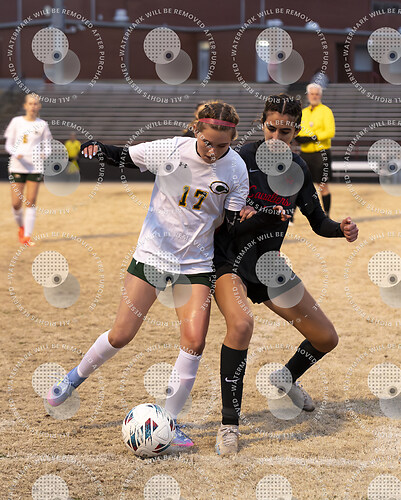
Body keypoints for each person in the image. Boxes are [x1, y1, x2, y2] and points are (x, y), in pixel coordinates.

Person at [46, 101, 252, 447]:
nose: (214, 152)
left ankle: (169, 423)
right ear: (196, 130)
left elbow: (229, 226)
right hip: (152, 258)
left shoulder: (236, 168)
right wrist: (96, 148)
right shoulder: (171, 149)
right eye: (208, 143)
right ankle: (72, 378)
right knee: (121, 335)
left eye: (223, 145)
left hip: (195, 266)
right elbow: (124, 156)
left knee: (194, 342)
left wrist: (249, 217)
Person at [213, 94, 358, 455]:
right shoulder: (240, 159)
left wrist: (340, 229)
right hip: (230, 262)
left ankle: (286, 377)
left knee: (326, 337)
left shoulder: (298, 168)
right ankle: (229, 425)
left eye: (286, 131)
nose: (277, 137)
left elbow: (317, 220)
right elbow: (215, 213)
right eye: (271, 128)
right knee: (241, 327)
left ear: (296, 131)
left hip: (269, 265)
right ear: (262, 124)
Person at [4, 93, 52, 246]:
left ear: (39, 106)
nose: (33, 106)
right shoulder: (16, 122)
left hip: (35, 167)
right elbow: (8, 144)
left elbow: (48, 146)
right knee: (16, 203)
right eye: (30, 103)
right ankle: (21, 227)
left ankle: (27, 236)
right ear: (25, 106)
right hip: (17, 166)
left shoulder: (42, 124)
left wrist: (45, 154)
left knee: (30, 201)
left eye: (35, 104)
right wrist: (15, 153)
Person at [296, 83, 335, 217]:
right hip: (305, 153)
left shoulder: (326, 111)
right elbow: (299, 130)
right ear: (308, 95)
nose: (314, 96)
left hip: (320, 153)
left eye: (317, 94)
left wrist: (313, 137)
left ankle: (326, 214)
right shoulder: (303, 112)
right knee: (298, 185)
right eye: (312, 94)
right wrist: (300, 137)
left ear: (320, 95)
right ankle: (291, 217)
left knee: (322, 185)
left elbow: (330, 131)